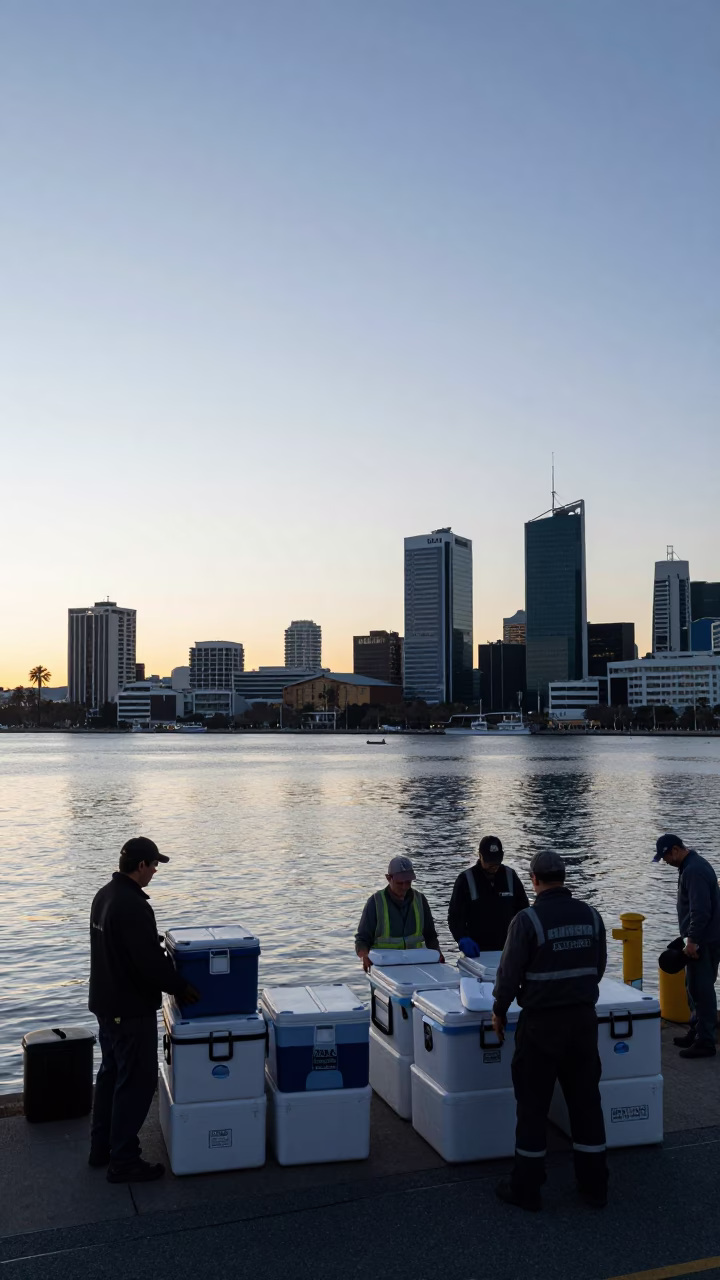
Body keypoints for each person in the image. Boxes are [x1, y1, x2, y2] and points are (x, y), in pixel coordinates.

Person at [491, 850, 608, 1212]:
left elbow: (508, 975)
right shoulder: (592, 916)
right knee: (586, 1103)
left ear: (534, 880)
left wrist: (498, 1010)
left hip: (541, 1025)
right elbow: (598, 966)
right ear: (564, 876)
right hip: (583, 1022)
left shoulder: (528, 920)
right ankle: (594, 1186)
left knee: (532, 1106)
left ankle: (526, 1188)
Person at [89, 837, 200, 1183]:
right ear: (140, 866)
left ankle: (101, 1147)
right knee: (136, 1080)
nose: (154, 872)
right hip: (129, 1007)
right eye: (153, 866)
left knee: (109, 1075)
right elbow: (148, 963)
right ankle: (124, 1159)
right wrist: (180, 986)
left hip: (106, 1004)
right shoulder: (134, 906)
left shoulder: (104, 896)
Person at [653, 833, 720, 1059]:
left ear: (675, 850)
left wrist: (693, 940)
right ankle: (697, 1030)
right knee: (693, 987)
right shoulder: (691, 867)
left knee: (702, 990)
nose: (665, 862)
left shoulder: (694, 870)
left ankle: (706, 1041)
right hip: (702, 938)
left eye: (666, 857)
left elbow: (700, 910)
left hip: (704, 941)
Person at [355, 856, 444, 972]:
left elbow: (430, 935)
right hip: (383, 968)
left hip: (417, 965)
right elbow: (362, 939)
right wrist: (364, 957)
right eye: (399, 883)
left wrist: (438, 953)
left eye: (408, 882)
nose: (404, 887)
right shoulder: (375, 902)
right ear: (388, 878)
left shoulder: (420, 900)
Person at [447, 835, 529, 958]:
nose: (493, 865)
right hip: (477, 951)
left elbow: (524, 911)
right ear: (480, 856)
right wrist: (462, 938)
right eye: (489, 861)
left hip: (508, 949)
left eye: (496, 861)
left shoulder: (510, 876)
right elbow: (454, 917)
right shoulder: (465, 879)